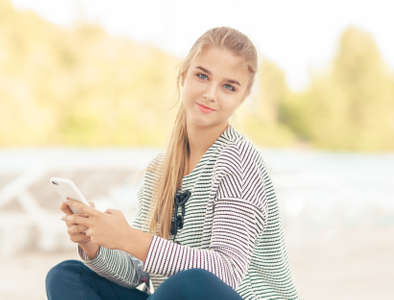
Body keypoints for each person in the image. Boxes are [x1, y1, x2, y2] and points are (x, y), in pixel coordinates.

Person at [46, 26, 299, 300]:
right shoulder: (161, 168)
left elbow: (225, 272)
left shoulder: (237, 161)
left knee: (189, 284)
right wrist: (94, 243)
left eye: (228, 86)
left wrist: (130, 238)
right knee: (67, 276)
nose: (211, 93)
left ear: (243, 98)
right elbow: (140, 274)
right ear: (183, 77)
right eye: (202, 76)